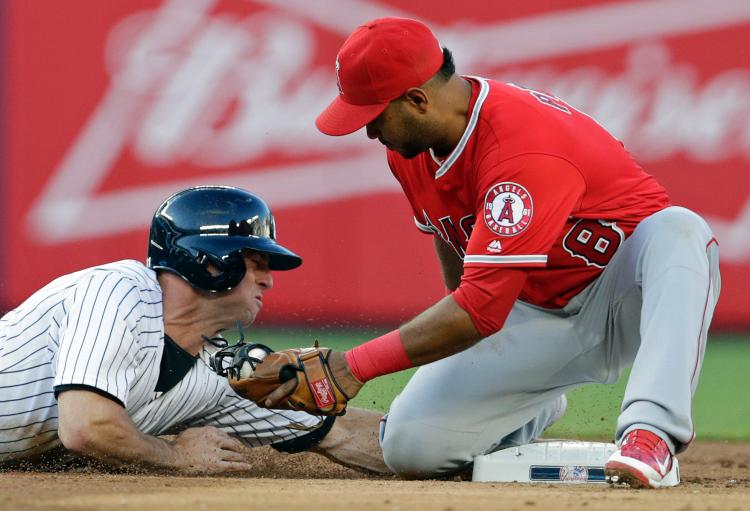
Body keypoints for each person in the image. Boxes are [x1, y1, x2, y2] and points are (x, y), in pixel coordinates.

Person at [274, 17, 721, 488]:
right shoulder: (410, 149)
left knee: (679, 230)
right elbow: (454, 251)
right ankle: (530, 402)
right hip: (533, 311)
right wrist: (480, 362)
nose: (368, 132)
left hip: (624, 289)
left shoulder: (521, 148)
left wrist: (354, 366)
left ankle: (652, 433)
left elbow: (481, 310)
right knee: (410, 447)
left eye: (374, 116)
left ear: (418, 100)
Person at [0, 186, 386, 474]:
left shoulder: (221, 376)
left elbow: (344, 433)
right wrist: (175, 456)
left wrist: (434, 441)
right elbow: (85, 426)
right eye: (257, 263)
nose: (268, 281)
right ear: (210, 263)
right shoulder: (117, 292)